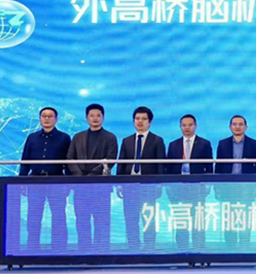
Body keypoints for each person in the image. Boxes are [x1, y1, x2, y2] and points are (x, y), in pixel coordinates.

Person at [67, 103, 118, 252]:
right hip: (80, 186)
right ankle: (84, 251)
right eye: (91, 116)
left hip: (100, 187)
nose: (95, 118)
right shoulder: (78, 137)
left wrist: (91, 176)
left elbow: (110, 160)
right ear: (86, 118)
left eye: (98, 116)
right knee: (81, 220)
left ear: (103, 118)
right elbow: (70, 158)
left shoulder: (110, 137)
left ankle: (101, 252)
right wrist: (80, 177)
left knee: (101, 221)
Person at [19, 107, 72, 250]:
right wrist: (22, 180)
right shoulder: (32, 137)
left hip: (57, 180)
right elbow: (25, 160)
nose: (47, 119)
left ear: (56, 119)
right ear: (40, 118)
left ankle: (59, 248)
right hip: (35, 181)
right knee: (33, 216)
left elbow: (68, 162)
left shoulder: (65, 138)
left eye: (50, 116)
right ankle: (32, 248)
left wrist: (68, 182)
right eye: (44, 116)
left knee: (59, 216)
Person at [117, 106, 166, 250]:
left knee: (148, 219)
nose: (140, 122)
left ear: (150, 122)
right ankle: (133, 247)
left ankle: (149, 248)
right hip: (129, 185)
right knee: (131, 219)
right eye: (137, 119)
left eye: (144, 119)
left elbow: (161, 164)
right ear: (133, 121)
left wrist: (159, 184)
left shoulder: (157, 140)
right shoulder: (126, 141)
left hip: (148, 186)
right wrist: (119, 183)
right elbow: (121, 163)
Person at [165, 114, 213, 250]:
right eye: (184, 125)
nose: (187, 128)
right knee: (181, 221)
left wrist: (207, 186)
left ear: (195, 126)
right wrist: (169, 187)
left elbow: (209, 167)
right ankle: (182, 249)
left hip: (197, 187)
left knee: (198, 220)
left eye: (190, 125)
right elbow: (168, 168)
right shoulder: (173, 145)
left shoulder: (204, 144)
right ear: (180, 127)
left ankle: (199, 249)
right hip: (178, 187)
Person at [215, 115, 256, 246]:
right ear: (230, 127)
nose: (237, 127)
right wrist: (217, 188)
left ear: (246, 127)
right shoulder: (223, 144)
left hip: (246, 187)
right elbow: (218, 167)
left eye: (241, 124)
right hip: (227, 187)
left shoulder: (254, 144)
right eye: (234, 124)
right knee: (228, 219)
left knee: (245, 218)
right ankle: (230, 247)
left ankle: (244, 246)